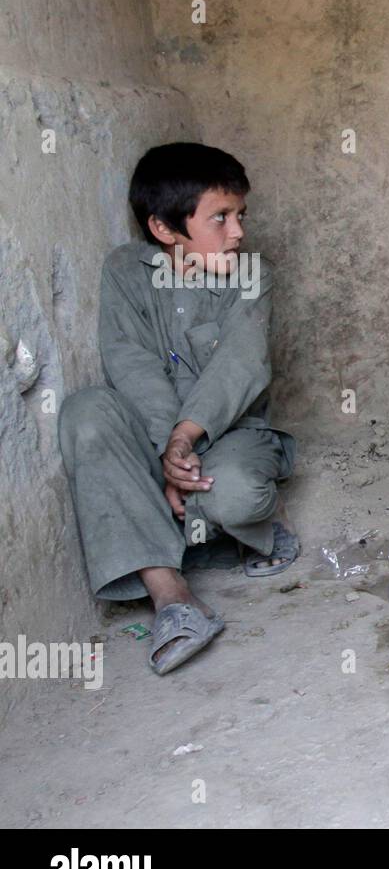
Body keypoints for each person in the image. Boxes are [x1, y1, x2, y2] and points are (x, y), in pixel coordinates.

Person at [58, 142, 298, 674]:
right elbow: (132, 365)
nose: (238, 232)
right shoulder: (124, 271)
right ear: (165, 229)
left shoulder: (251, 274)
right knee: (86, 411)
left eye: (240, 215)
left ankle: (260, 520)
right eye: (220, 218)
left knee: (235, 494)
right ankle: (173, 597)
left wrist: (185, 442)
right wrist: (169, 451)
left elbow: (240, 365)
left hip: (230, 434)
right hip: (158, 436)